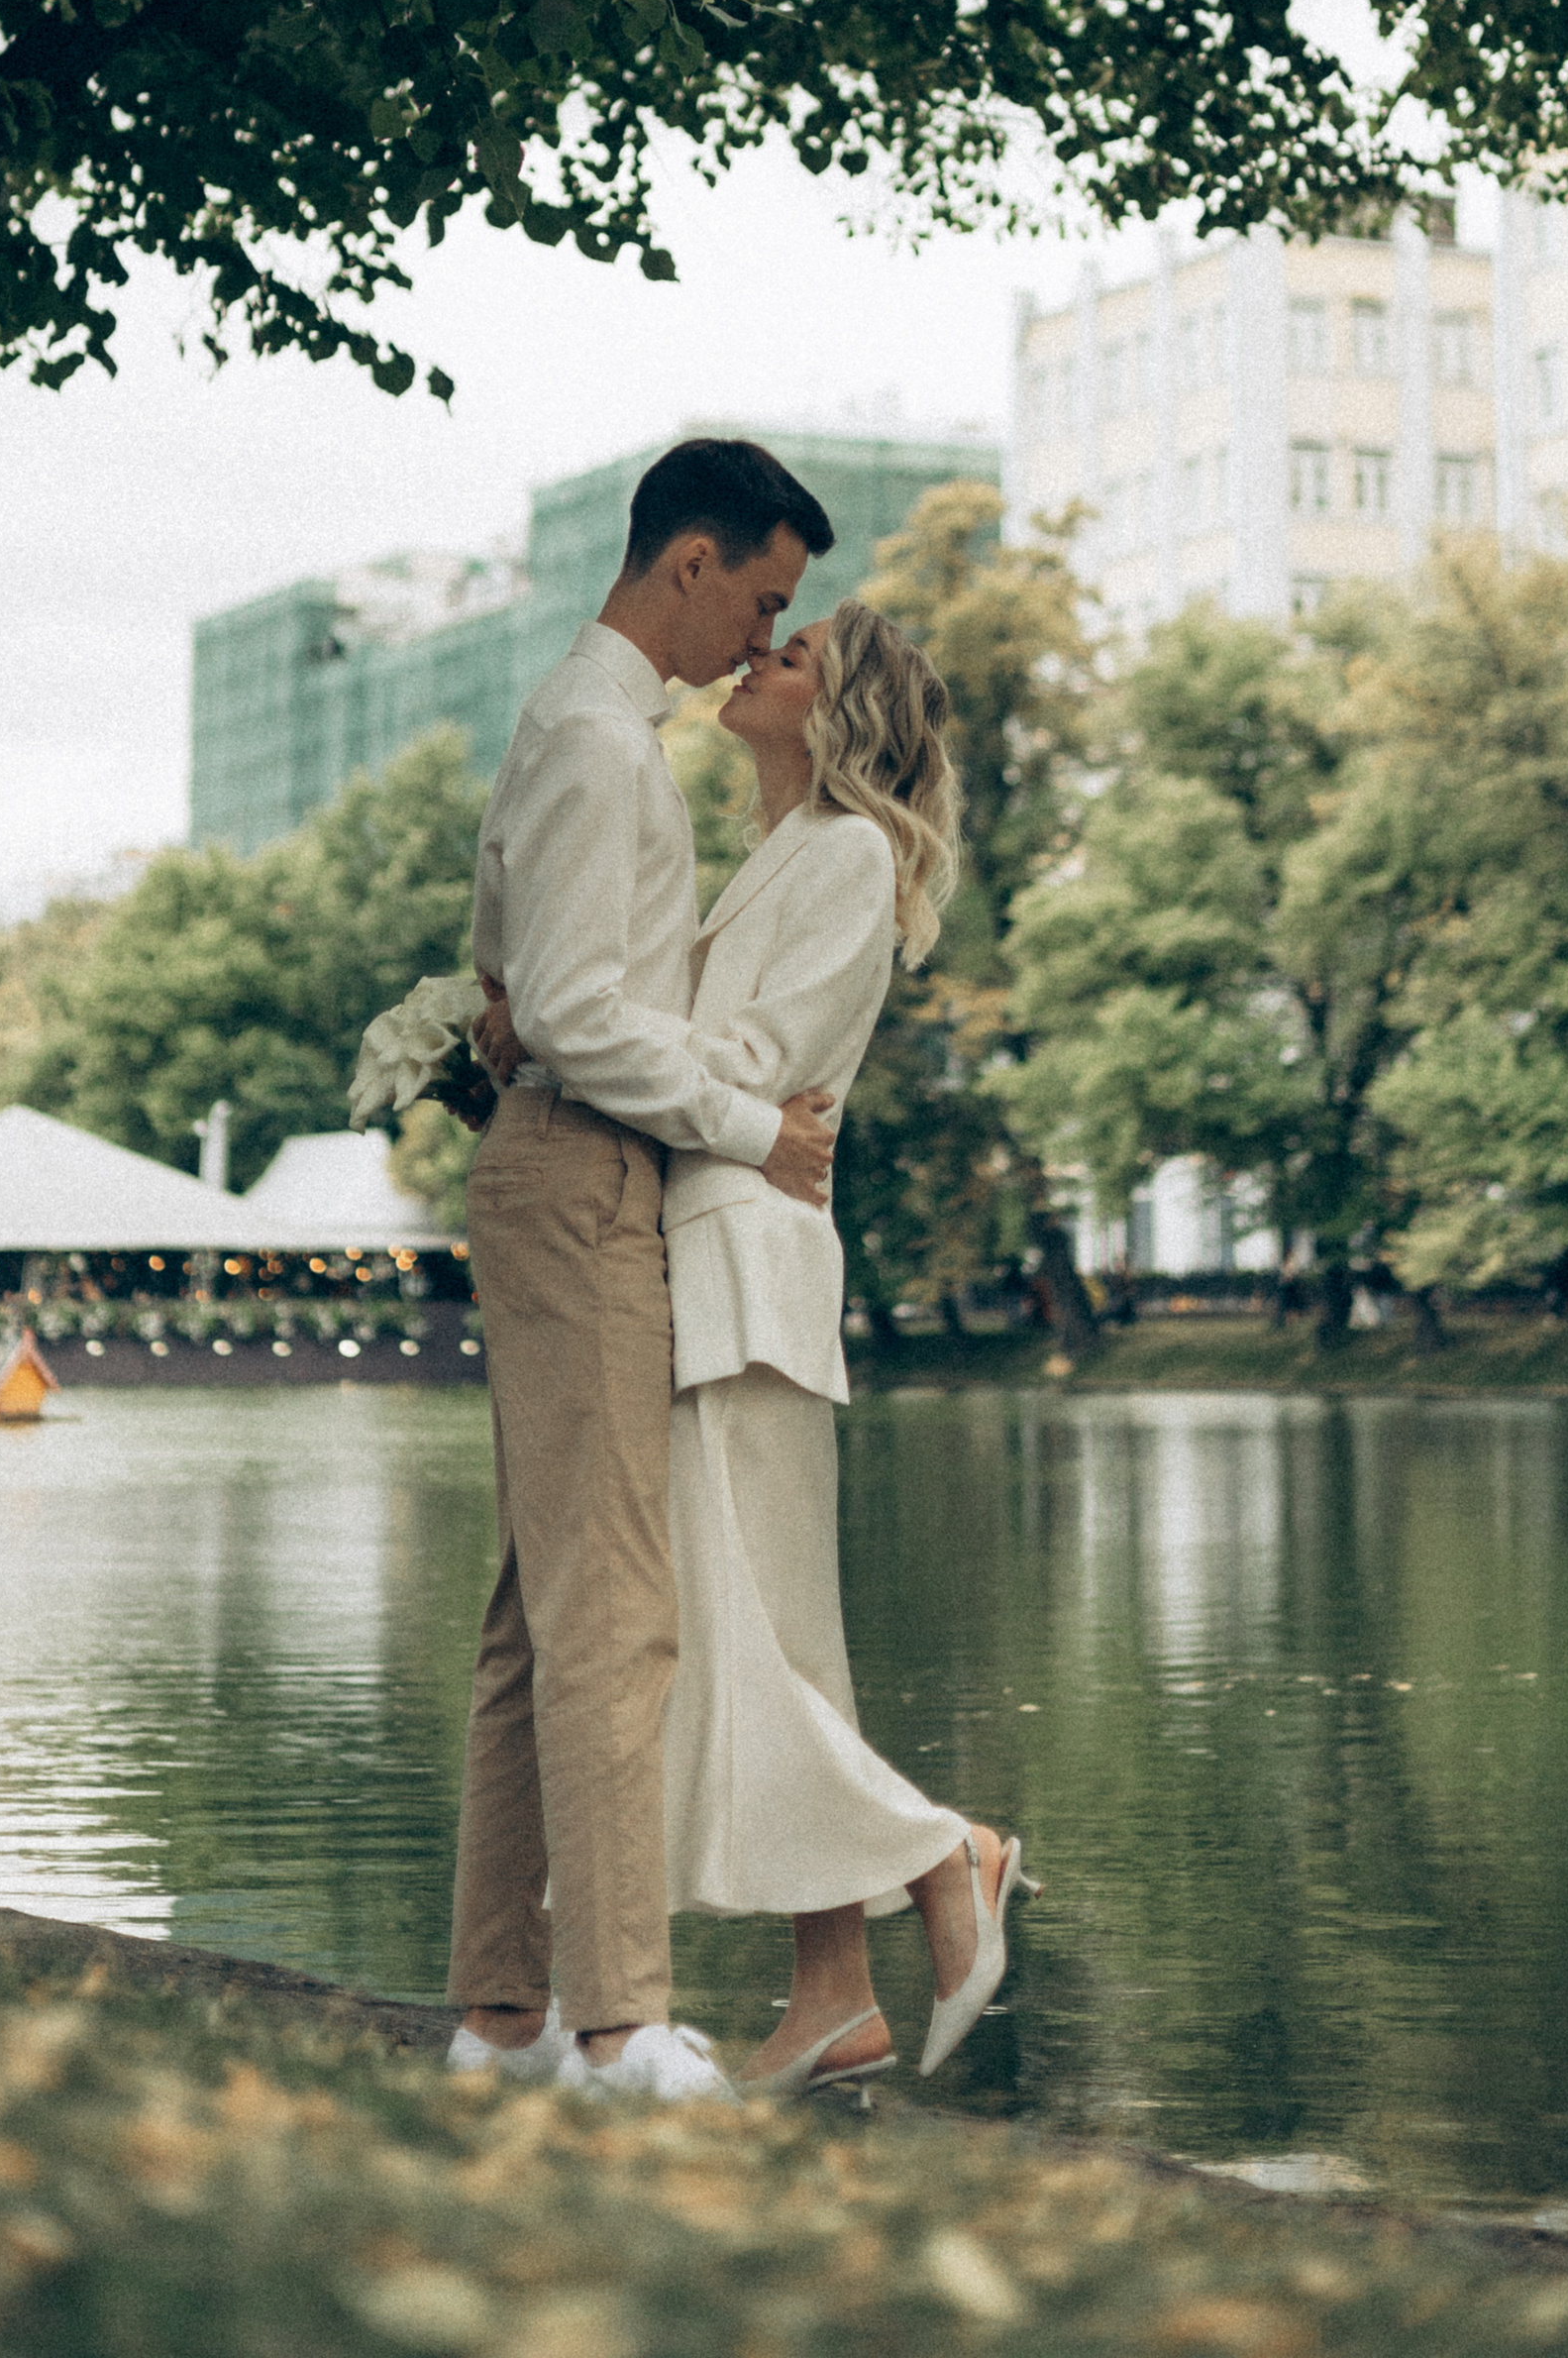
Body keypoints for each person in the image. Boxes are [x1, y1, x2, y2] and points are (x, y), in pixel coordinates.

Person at [446, 439, 841, 2109]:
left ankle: (499, 2020)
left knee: (541, 1617)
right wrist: (754, 1127)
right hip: (587, 1181)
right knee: (615, 1611)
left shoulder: (570, 726)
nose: (764, 639)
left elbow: (517, 982)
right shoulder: (604, 742)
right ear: (690, 562)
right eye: (760, 599)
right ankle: (616, 2032)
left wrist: (527, 1016)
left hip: (556, 1169)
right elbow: (574, 1012)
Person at [662, 598, 1038, 2092]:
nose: (759, 654)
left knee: (742, 1635)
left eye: (797, 651)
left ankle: (946, 1852)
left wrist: (573, 1031)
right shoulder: (784, 852)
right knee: (773, 1645)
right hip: (725, 1261)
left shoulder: (847, 854)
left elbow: (757, 1065)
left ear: (842, 711)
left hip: (743, 1269)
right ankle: (833, 1998)